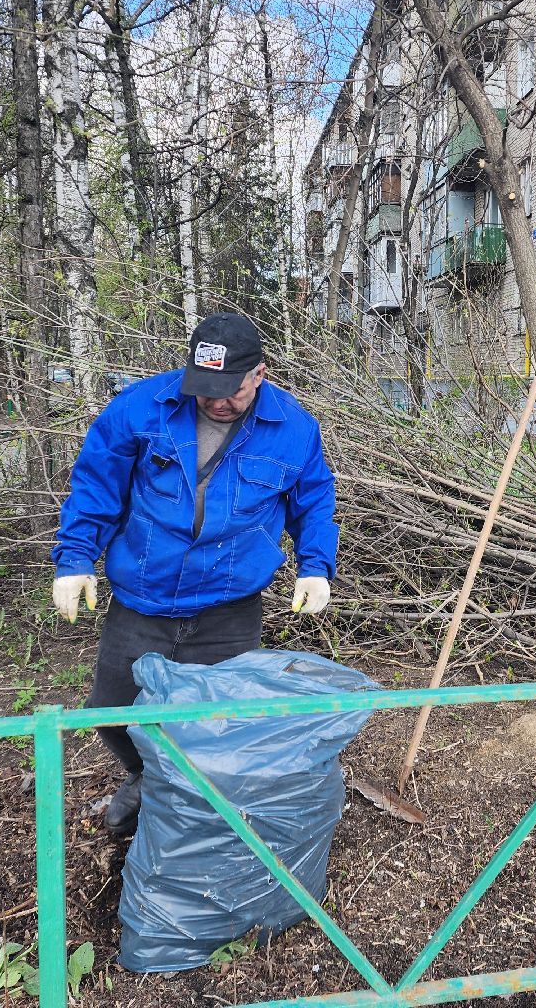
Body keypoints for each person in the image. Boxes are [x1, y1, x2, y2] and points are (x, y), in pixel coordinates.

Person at [50, 312, 337, 835]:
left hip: (228, 603)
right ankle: (146, 775)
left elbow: (313, 501)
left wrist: (314, 566)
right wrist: (75, 559)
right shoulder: (142, 408)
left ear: (260, 375)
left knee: (217, 723)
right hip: (144, 592)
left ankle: (200, 811)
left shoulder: (293, 429)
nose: (217, 402)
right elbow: (96, 485)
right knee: (111, 709)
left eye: (231, 390)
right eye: (206, 390)